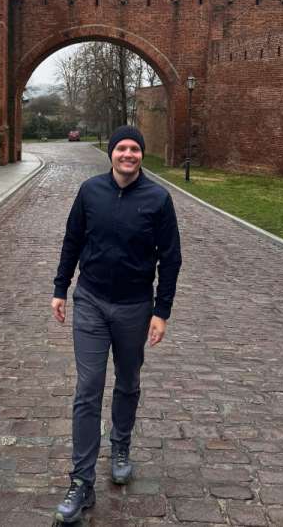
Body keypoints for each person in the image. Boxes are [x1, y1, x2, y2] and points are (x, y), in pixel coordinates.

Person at [50, 126, 183, 523]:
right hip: (90, 300)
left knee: (127, 381)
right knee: (88, 388)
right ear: (111, 154)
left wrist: (162, 311)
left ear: (141, 155)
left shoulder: (158, 199)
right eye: (122, 148)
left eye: (135, 149)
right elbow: (72, 240)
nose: (128, 154)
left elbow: (171, 259)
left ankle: (120, 446)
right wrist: (61, 287)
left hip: (134, 307)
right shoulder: (90, 192)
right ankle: (81, 481)